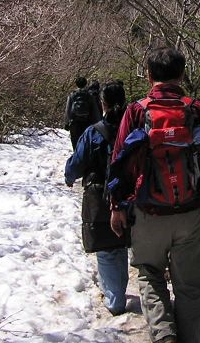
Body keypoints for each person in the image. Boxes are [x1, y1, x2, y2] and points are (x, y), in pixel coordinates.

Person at [110, 46, 200, 343]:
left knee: (149, 274)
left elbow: (119, 160)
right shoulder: (196, 108)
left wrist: (117, 206)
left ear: (148, 75)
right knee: (190, 286)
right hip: (192, 210)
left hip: (149, 212)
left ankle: (164, 336)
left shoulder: (136, 111)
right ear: (182, 74)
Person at [65, 80, 130, 316]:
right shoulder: (132, 129)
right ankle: (119, 291)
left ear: (102, 103)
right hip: (128, 195)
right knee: (121, 244)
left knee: (106, 248)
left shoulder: (94, 132)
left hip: (99, 194)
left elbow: (77, 163)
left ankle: (115, 300)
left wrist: (69, 175)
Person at [64, 76, 101, 150]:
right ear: (86, 84)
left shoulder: (72, 95)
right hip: (87, 123)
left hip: (75, 123)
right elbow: (95, 111)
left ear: (76, 84)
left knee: (75, 143)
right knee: (86, 143)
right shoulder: (90, 96)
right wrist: (98, 124)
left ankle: (76, 158)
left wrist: (66, 122)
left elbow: (68, 110)